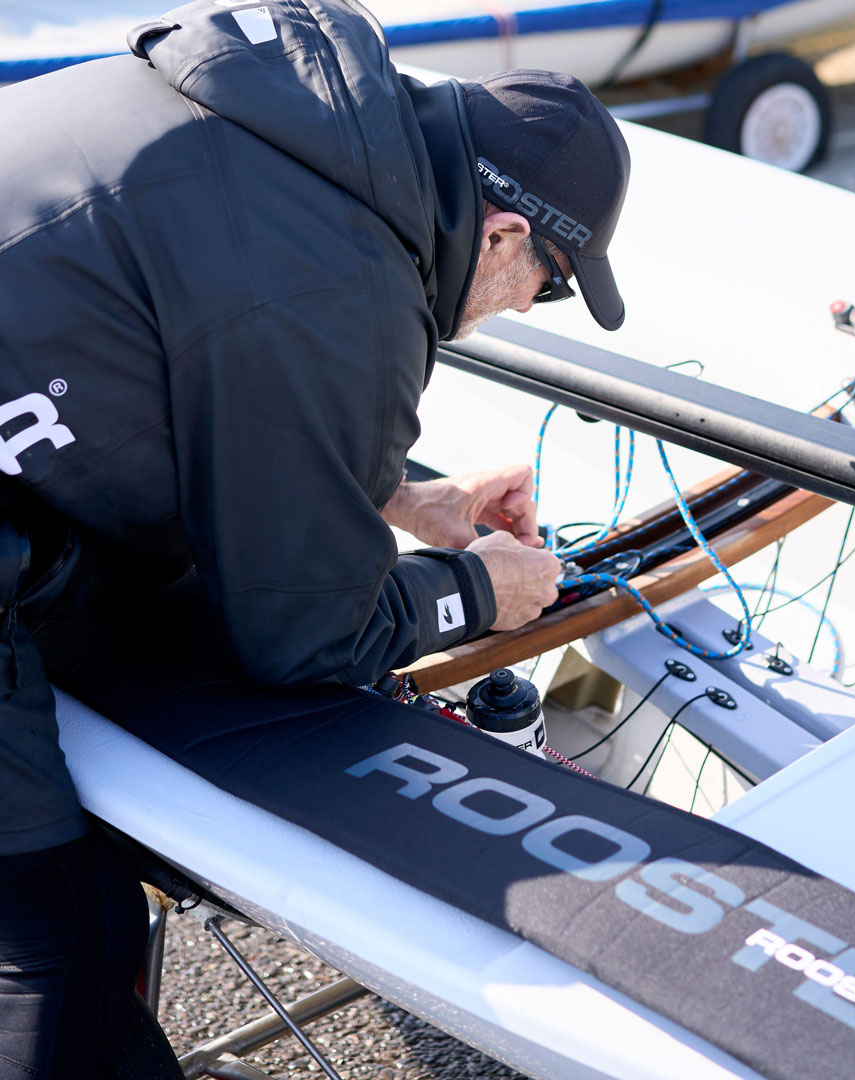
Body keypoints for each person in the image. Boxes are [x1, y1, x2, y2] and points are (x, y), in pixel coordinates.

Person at [0, 0, 631, 1075]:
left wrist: (399, 494)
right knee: (58, 932)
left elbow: (186, 349)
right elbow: (301, 639)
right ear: (506, 231)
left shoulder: (287, 129)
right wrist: (476, 592)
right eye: (552, 287)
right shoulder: (343, 282)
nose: (527, 308)